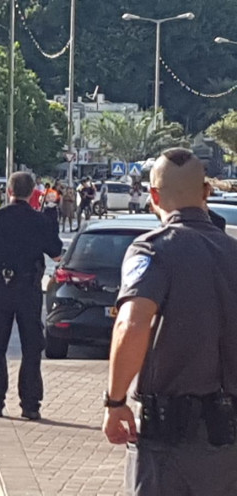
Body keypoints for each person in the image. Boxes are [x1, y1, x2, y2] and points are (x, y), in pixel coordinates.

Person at [103, 148, 237, 495]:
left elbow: (132, 325)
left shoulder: (152, 250)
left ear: (153, 196)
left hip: (169, 443)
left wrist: (115, 402)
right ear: (206, 192)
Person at [0, 172, 63, 420]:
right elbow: (56, 255)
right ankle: (30, 406)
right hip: (29, 287)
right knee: (32, 347)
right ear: (32, 192)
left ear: (8, 191)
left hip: (0, 285)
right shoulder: (40, 221)